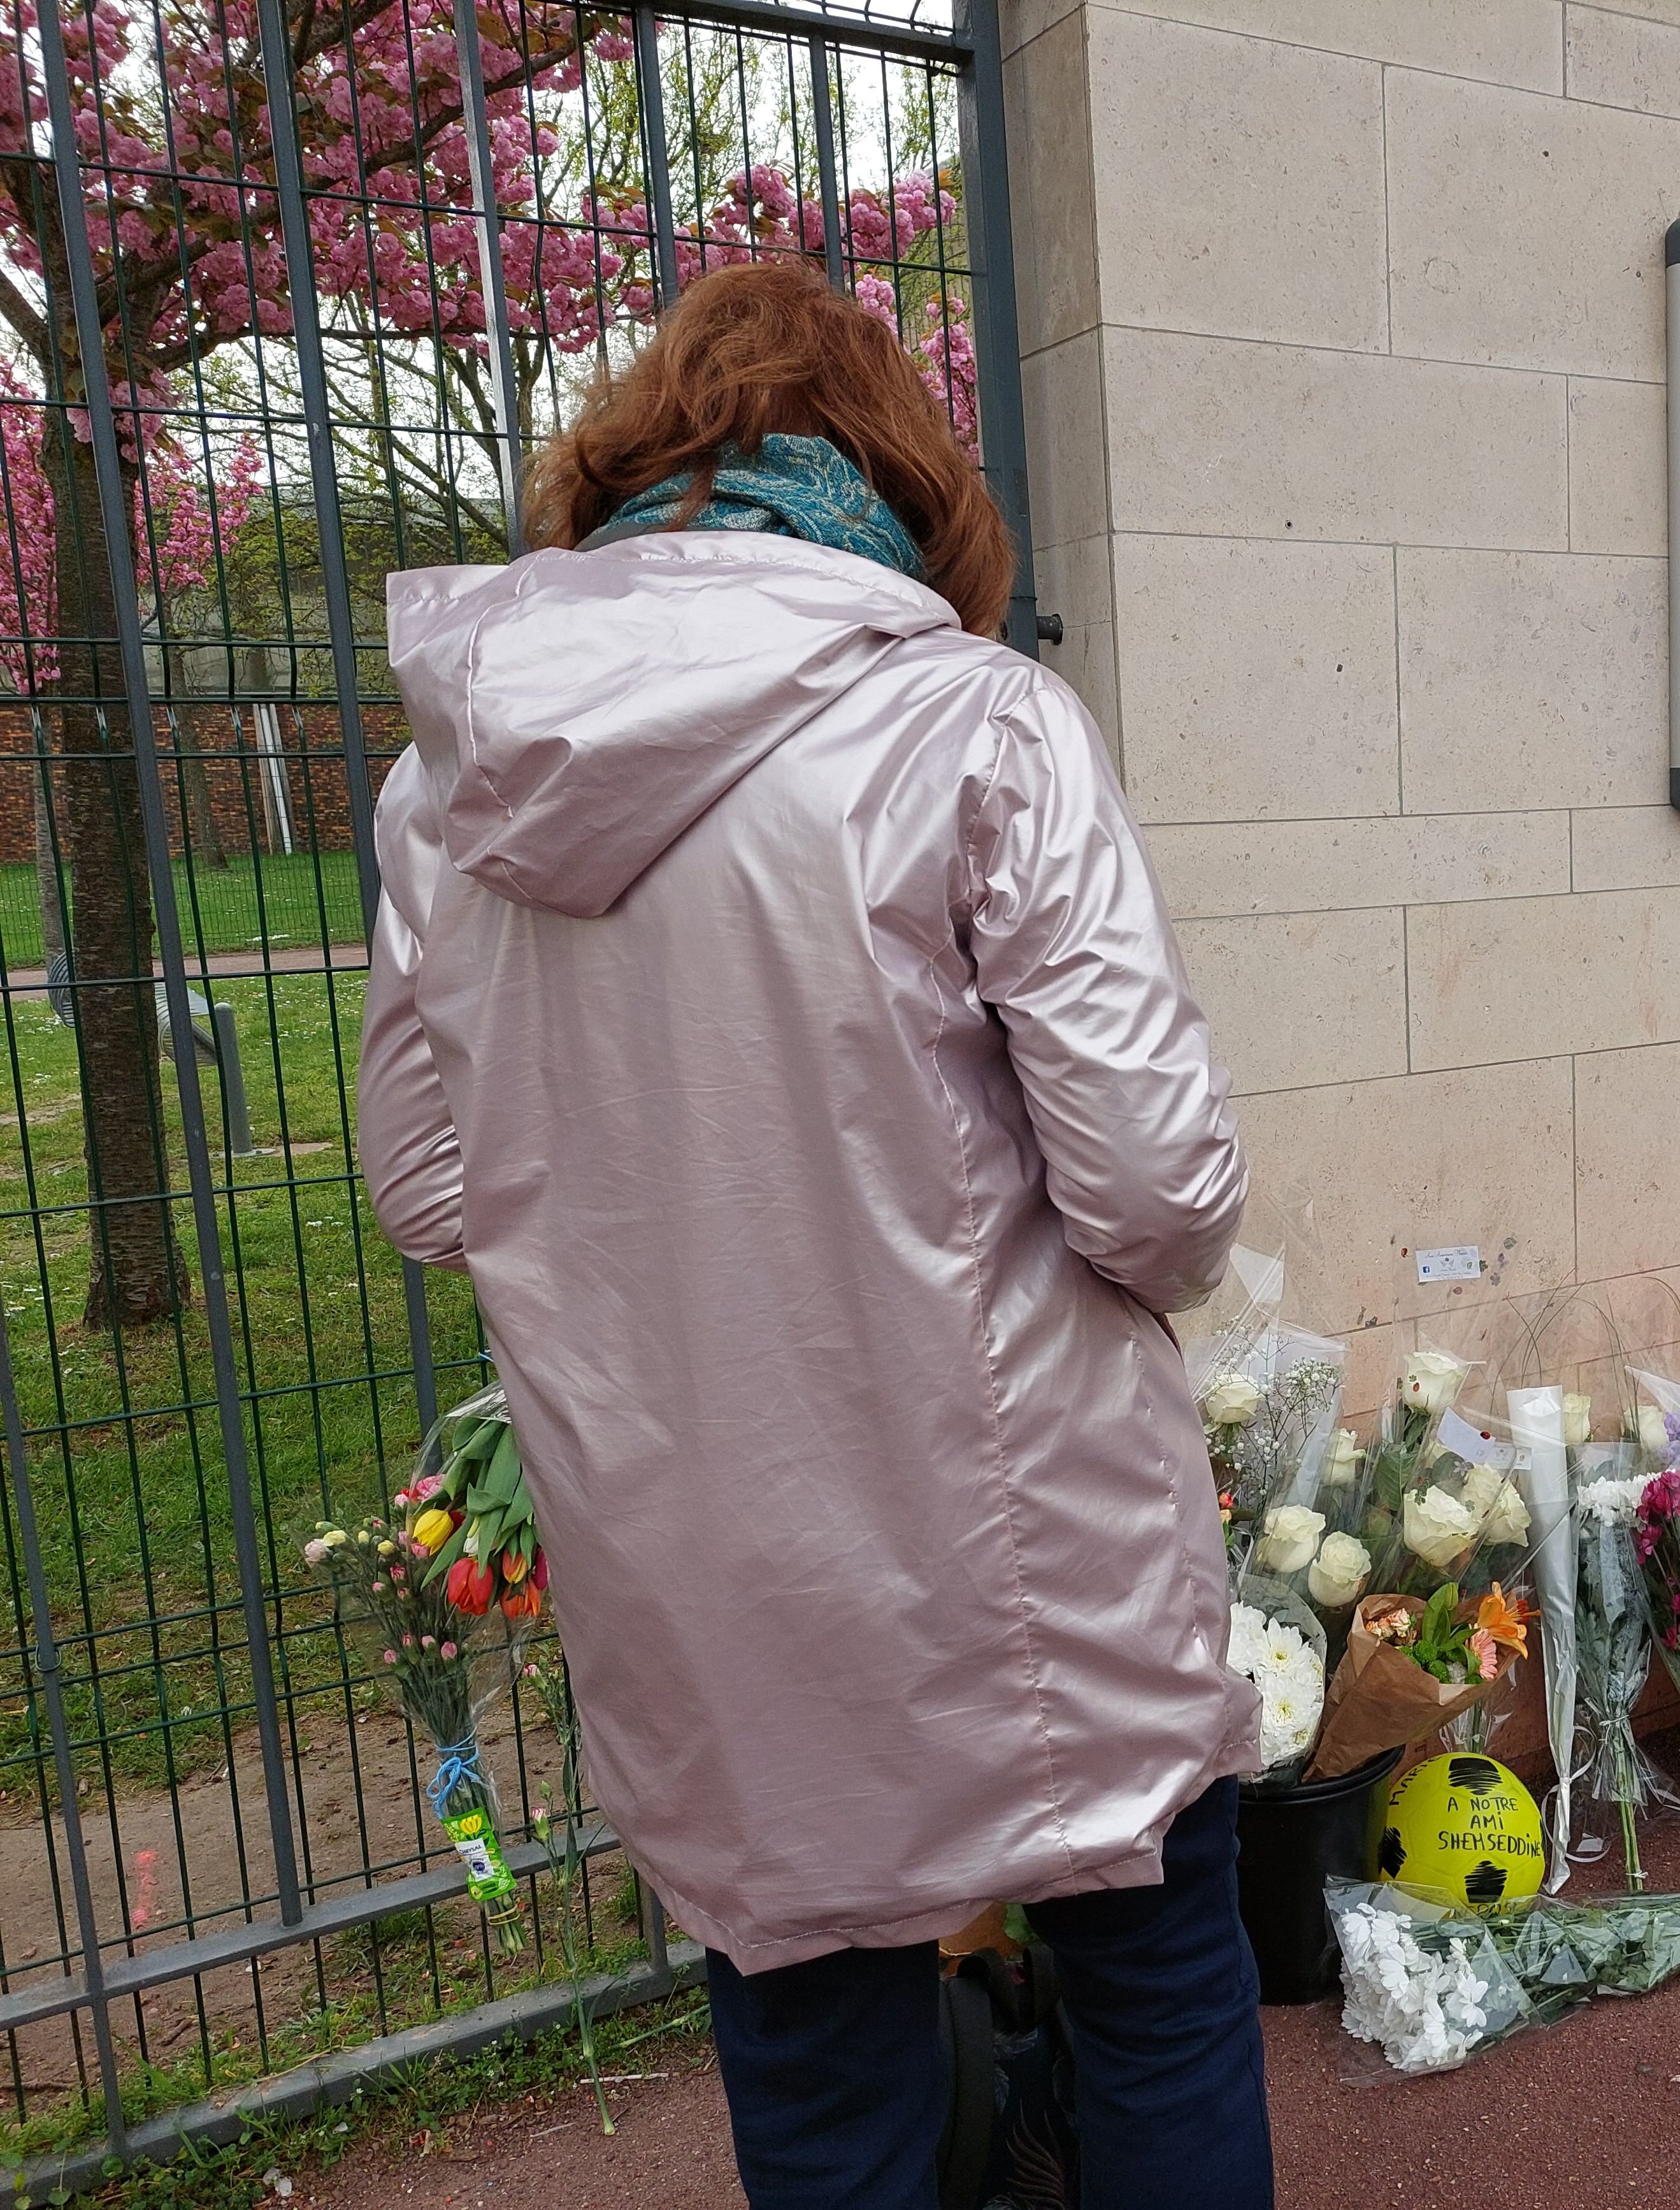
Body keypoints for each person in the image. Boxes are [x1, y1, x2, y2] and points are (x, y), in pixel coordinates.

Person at [359, 258, 1272, 2210]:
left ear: (624, 472)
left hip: (692, 1543)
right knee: (1156, 1963)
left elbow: (433, 1186)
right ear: (899, 476)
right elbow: (1159, 1190)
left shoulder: (445, 800)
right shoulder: (983, 727)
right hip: (1028, 1529)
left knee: (809, 2037)